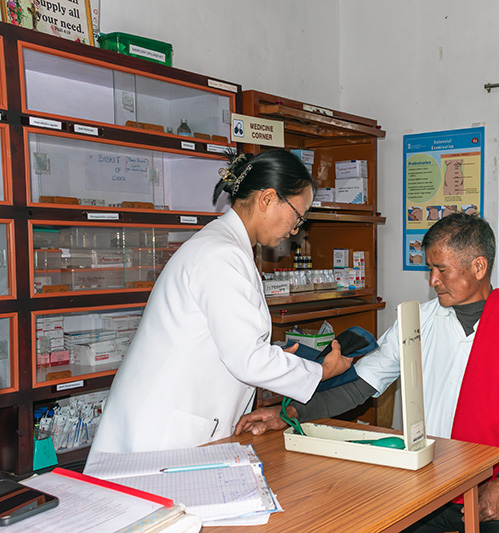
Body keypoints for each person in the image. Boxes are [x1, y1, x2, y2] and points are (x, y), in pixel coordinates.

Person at [235, 212, 499, 533]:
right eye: (428, 269)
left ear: (479, 267)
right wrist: (292, 413)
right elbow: (361, 384)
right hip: (430, 482)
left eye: (441, 269)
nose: (432, 280)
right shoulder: (417, 321)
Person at [90, 150, 351, 456]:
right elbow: (247, 360)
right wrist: (320, 372)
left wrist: (274, 354)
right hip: (162, 432)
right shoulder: (220, 255)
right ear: (267, 199)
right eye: (298, 215)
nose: (295, 229)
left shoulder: (226, 248)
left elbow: (225, 341)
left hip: (180, 420)